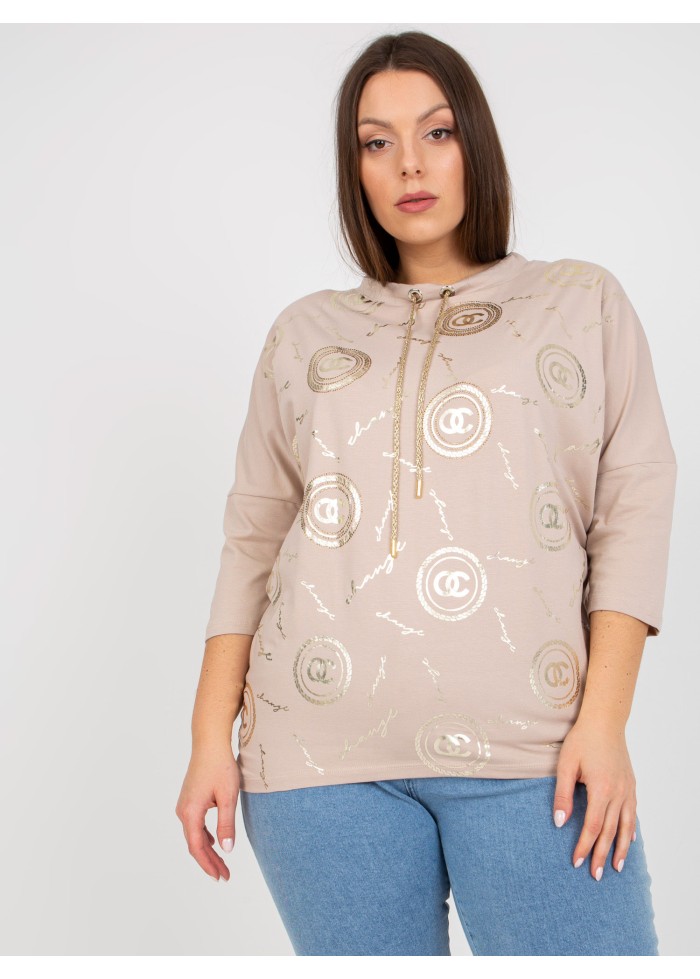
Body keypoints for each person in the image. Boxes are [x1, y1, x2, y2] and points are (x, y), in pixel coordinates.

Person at [175, 30, 676, 956]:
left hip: (537, 752)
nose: (408, 162)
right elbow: (253, 537)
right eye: (376, 142)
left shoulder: (581, 302)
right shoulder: (303, 334)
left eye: (436, 132)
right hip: (316, 762)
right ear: (355, 170)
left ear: (474, 143)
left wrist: (604, 723)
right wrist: (211, 734)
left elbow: (635, 509)